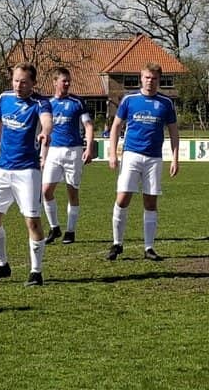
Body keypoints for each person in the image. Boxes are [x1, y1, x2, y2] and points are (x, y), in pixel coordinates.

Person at [0, 62, 52, 286]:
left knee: (32, 221)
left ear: (33, 83)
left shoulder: (40, 103)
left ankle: (36, 272)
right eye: (15, 80)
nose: (18, 85)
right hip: (2, 168)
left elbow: (47, 122)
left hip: (27, 171)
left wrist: (45, 134)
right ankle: (3, 266)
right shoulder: (4, 99)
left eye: (24, 82)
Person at [106, 63, 180, 261]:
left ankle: (149, 247)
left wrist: (175, 158)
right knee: (122, 198)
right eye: (147, 77)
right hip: (131, 155)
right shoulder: (130, 100)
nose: (150, 81)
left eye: (154, 78)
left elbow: (173, 131)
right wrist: (113, 153)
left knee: (150, 201)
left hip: (154, 158)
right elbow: (116, 127)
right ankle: (117, 243)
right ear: (141, 78)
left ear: (159, 79)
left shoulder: (166, 103)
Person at [41, 66, 96, 245]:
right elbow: (44, 130)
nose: (67, 84)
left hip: (73, 151)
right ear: (55, 82)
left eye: (68, 81)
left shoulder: (77, 102)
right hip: (54, 151)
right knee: (46, 191)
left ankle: (70, 231)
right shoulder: (47, 104)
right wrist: (42, 153)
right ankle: (54, 227)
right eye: (63, 80)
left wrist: (88, 148)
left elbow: (88, 125)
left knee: (72, 192)